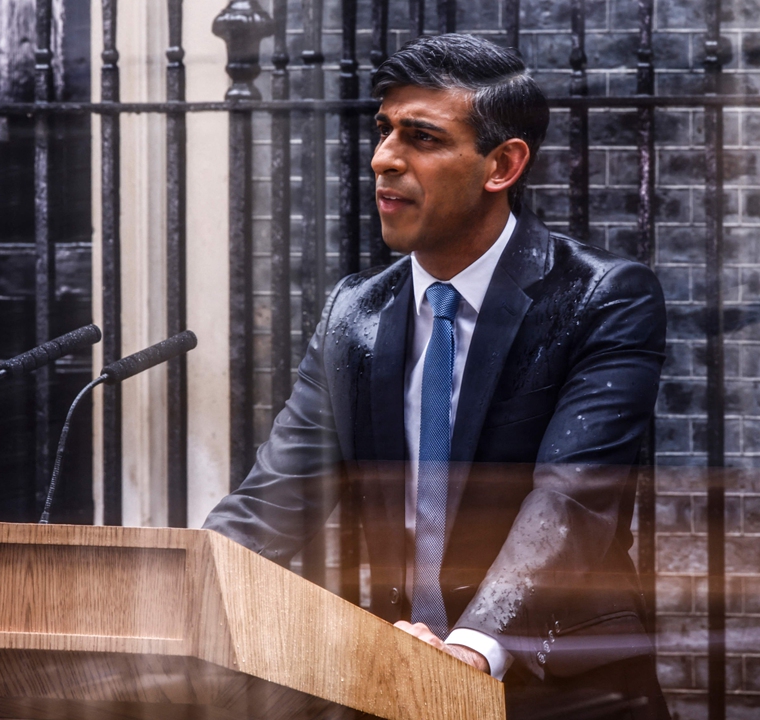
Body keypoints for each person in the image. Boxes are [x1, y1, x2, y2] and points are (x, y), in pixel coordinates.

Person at [203, 34, 670, 720]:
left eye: (420, 137)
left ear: (503, 164)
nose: (384, 158)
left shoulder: (604, 297)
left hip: (567, 690)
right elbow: (274, 499)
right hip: (397, 677)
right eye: (384, 131)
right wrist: (176, 593)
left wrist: (472, 650)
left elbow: (571, 504)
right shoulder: (353, 313)